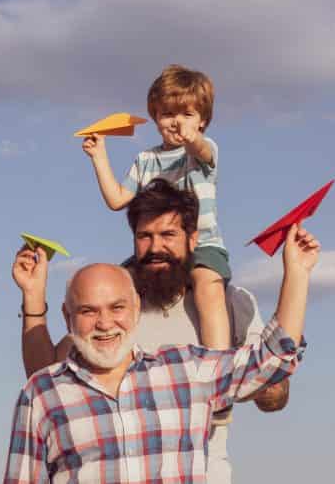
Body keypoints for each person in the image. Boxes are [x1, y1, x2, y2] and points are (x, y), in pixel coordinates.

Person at [16, 180, 290, 482]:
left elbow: (274, 393)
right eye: (144, 236)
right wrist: (32, 296)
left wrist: (243, 384)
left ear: (193, 239)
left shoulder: (230, 304)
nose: (155, 247)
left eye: (168, 235)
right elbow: (49, 380)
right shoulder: (116, 312)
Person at [81, 64, 231, 351]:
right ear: (156, 117)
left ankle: (219, 360)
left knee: (208, 284)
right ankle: (112, 356)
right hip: (156, 249)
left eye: (187, 115)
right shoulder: (146, 159)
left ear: (202, 121)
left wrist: (194, 140)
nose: (177, 123)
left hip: (203, 244)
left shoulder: (201, 150)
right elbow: (117, 199)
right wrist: (99, 157)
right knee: (116, 284)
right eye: (168, 114)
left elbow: (204, 152)